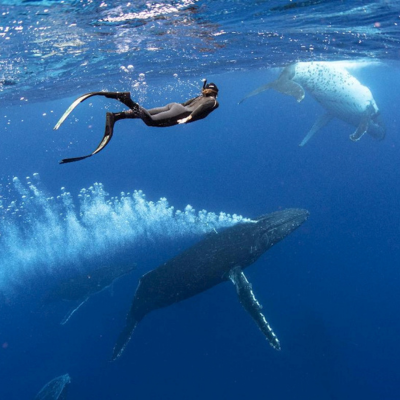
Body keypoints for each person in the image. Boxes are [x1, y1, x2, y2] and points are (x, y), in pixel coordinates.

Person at [54, 80, 219, 164]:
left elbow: (184, 103)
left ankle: (118, 116)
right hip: (181, 112)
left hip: (174, 106)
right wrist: (187, 118)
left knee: (144, 112)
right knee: (151, 122)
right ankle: (124, 99)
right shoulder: (212, 101)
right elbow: (199, 109)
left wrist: (179, 112)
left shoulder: (200, 96)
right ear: (216, 93)